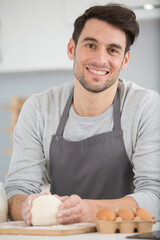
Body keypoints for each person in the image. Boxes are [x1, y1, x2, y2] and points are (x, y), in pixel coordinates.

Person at [4, 3, 160, 225]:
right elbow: (17, 189)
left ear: (124, 60)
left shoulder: (145, 106)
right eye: (90, 45)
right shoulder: (38, 109)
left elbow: (155, 195)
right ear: (71, 48)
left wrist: (89, 209)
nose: (100, 59)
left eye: (113, 50)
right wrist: (26, 207)